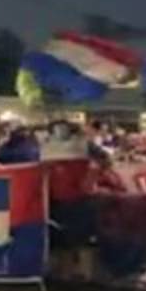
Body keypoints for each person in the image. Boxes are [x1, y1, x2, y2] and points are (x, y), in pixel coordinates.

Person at [42, 120, 102, 282]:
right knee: (63, 242)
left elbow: (103, 161)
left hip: (79, 201)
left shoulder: (84, 147)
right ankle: (65, 275)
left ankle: (86, 276)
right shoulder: (46, 149)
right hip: (57, 202)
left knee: (82, 240)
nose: (61, 132)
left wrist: (90, 179)